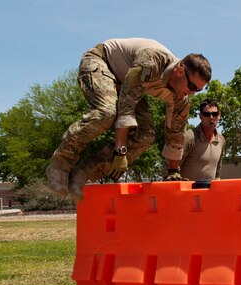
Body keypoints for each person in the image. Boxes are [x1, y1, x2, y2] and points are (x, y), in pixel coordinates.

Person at [46, 38, 211, 201]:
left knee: (147, 136)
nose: (192, 93)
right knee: (107, 113)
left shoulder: (181, 98)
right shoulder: (151, 61)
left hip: (129, 84)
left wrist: (173, 172)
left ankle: (83, 172)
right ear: (180, 70)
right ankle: (60, 163)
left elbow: (175, 134)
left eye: (198, 90)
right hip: (102, 63)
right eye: (191, 87)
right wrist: (120, 152)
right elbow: (127, 106)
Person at [176, 99, 226, 181]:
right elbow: (170, 168)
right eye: (207, 114)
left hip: (209, 192)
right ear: (200, 116)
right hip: (187, 192)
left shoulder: (221, 140)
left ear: (219, 115)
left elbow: (217, 173)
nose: (211, 117)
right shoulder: (189, 137)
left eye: (215, 114)